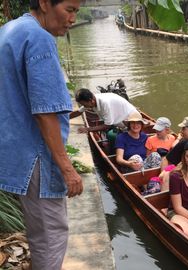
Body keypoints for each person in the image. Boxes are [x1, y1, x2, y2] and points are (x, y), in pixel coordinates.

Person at [0, 0, 83, 269]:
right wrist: (66, 167)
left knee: (39, 230)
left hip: (12, 147)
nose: (71, 18)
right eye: (69, 10)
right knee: (51, 234)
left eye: (76, 12)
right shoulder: (39, 38)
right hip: (34, 153)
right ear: (45, 3)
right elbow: (45, 112)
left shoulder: (11, 29)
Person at [70, 88, 138, 133]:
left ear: (91, 101)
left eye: (84, 104)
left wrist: (87, 129)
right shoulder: (92, 99)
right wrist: (64, 119)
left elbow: (107, 125)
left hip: (132, 122)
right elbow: (79, 112)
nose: (84, 106)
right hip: (120, 121)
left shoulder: (104, 103)